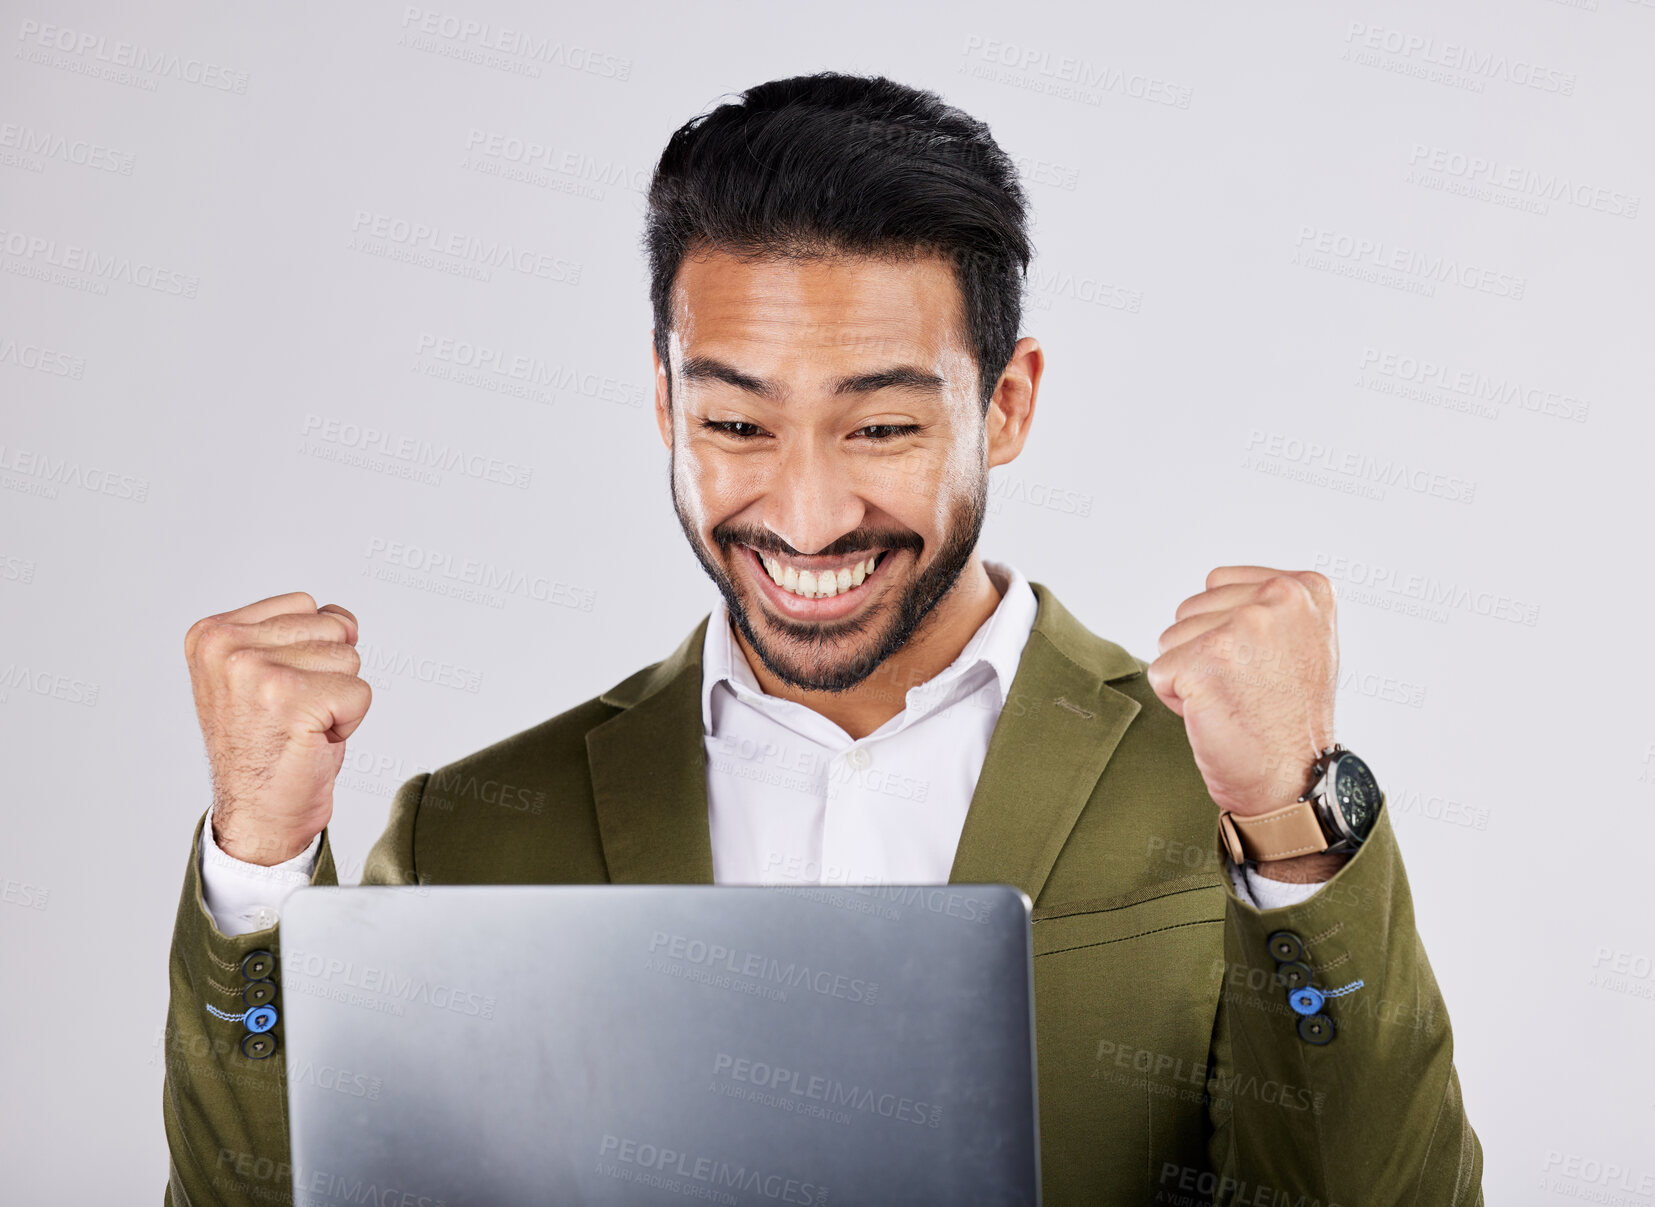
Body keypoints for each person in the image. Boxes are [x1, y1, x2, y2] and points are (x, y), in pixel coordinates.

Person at [161, 72, 1482, 1205]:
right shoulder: (475, 830)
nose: (802, 515)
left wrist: (1291, 826)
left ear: (1006, 404)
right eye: (737, 423)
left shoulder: (1215, 794)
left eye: (884, 426)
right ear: (668, 407)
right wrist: (263, 865)